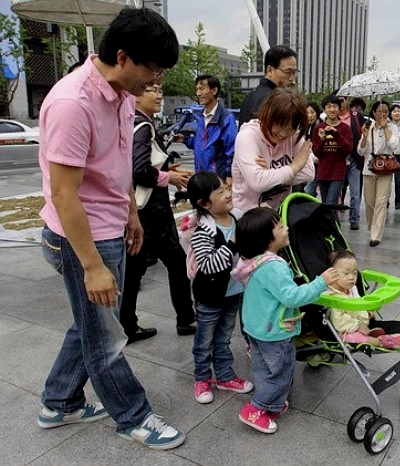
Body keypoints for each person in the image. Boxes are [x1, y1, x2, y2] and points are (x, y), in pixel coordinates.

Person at [37, 7, 185, 449]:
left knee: (91, 324)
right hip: (79, 239)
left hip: (109, 227)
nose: (155, 81)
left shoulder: (120, 94)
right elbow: (65, 195)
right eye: (153, 70)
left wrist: (131, 213)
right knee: (105, 335)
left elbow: (116, 165)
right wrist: (92, 266)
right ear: (123, 56)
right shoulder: (72, 103)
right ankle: (133, 415)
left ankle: (58, 401)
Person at [231, 207, 339, 434]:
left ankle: (270, 404)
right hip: (275, 331)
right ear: (266, 239)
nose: (287, 228)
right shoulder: (274, 267)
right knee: (281, 373)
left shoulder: (255, 261)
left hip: (257, 328)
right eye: (280, 226)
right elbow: (292, 297)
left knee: (264, 370)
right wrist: (321, 282)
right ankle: (255, 409)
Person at [120, 84, 195, 343]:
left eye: (161, 90)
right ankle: (186, 318)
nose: (159, 95)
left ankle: (127, 326)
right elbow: (139, 171)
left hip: (141, 212)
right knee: (176, 263)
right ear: (136, 95)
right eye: (152, 90)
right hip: (152, 214)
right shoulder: (143, 127)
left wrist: (165, 168)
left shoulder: (131, 123)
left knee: (133, 270)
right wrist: (168, 176)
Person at [174, 172, 254, 404]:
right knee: (204, 340)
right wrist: (232, 244)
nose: (227, 193)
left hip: (233, 293)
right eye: (219, 192)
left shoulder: (236, 218)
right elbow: (209, 265)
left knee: (223, 339)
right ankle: (202, 378)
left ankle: (226, 376)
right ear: (204, 204)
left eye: (225, 188)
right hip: (209, 296)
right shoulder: (202, 231)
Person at [232, 87, 315, 212]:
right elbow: (258, 182)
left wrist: (270, 172)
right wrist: (294, 167)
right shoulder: (248, 136)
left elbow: (309, 173)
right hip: (248, 216)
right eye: (279, 125)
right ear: (267, 114)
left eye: (290, 128)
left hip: (278, 215)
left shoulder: (295, 136)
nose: (283, 134)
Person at [325, 250, 400, 349]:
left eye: (354, 273)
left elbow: (359, 302)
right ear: (331, 274)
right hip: (343, 331)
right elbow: (340, 321)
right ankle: (379, 341)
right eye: (346, 273)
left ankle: (370, 334)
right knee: (353, 337)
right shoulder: (332, 297)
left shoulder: (351, 288)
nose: (351, 277)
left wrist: (365, 312)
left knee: (363, 326)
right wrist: (357, 326)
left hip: (358, 322)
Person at [357, 100, 400, 247]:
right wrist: (363, 137)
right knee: (369, 202)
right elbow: (360, 151)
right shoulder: (368, 128)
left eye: (386, 111)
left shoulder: (393, 128)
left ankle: (376, 235)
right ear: (374, 112)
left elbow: (396, 148)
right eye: (380, 111)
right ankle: (371, 227)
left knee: (381, 202)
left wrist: (386, 129)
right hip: (368, 169)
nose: (383, 114)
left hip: (386, 170)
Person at [182, 75, 238, 182]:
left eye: (202, 88)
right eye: (197, 89)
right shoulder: (201, 117)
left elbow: (232, 149)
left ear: (214, 90)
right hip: (201, 178)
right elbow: (203, 144)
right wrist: (184, 139)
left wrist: (229, 175)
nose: (198, 93)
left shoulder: (226, 118)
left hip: (217, 179)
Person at [311, 94, 353, 212]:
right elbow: (317, 152)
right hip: (323, 172)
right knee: (326, 207)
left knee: (330, 204)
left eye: (335, 106)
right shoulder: (318, 128)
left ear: (340, 109)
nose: (332, 109)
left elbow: (348, 149)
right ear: (324, 109)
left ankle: (334, 230)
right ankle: (332, 229)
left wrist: (336, 134)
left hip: (337, 173)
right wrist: (323, 140)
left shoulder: (345, 128)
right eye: (329, 107)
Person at [238, 45, 298, 126]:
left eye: (294, 72)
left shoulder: (251, 95)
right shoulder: (272, 99)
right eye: (288, 72)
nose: (292, 78)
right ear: (269, 70)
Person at [337, 93, 366, 230]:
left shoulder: (356, 116)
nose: (340, 103)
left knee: (355, 192)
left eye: (342, 100)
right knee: (337, 190)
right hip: (338, 159)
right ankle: (334, 216)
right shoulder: (332, 117)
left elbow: (366, 128)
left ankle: (354, 219)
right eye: (337, 101)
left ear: (347, 101)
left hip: (354, 158)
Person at [304, 101, 323, 197]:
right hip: (311, 162)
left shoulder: (321, 127)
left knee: (308, 190)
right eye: (307, 113)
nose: (310, 116)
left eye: (312, 112)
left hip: (319, 163)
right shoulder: (307, 127)